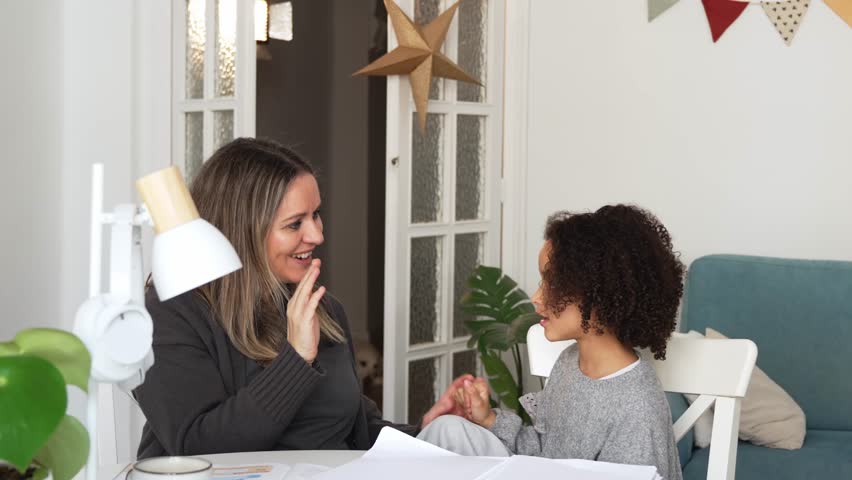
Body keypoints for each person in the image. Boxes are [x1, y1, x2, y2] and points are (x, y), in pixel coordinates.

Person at [135, 138, 471, 458]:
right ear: (243, 231)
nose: (317, 235)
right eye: (295, 224)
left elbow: (354, 430)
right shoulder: (174, 314)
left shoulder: (321, 310)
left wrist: (421, 434)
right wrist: (295, 361)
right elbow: (199, 448)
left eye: (316, 215)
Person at [418, 204, 685, 480]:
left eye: (554, 284)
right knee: (446, 429)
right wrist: (489, 419)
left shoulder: (637, 410)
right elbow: (543, 454)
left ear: (602, 295)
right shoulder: (570, 362)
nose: (536, 297)